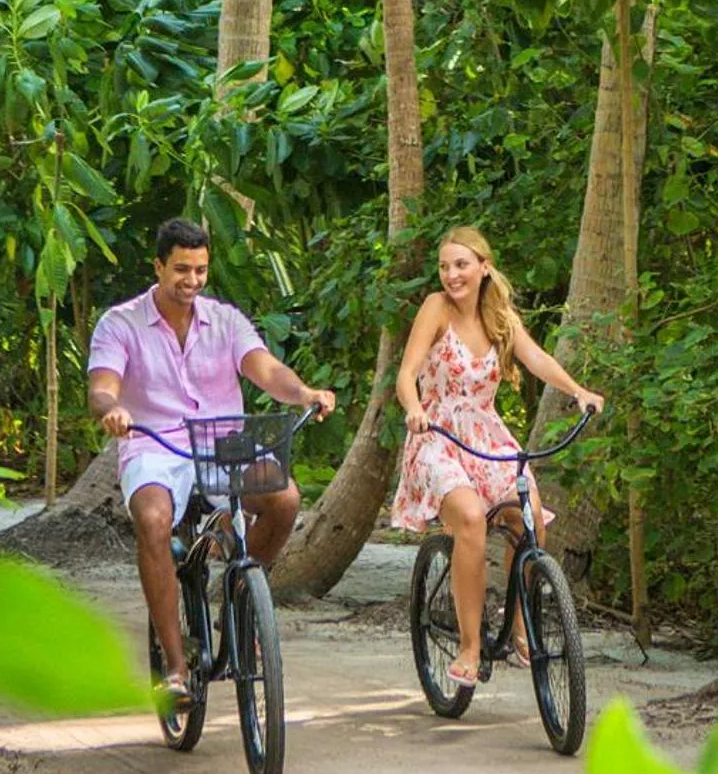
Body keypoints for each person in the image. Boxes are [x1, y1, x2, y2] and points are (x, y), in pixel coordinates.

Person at [87, 218, 337, 702]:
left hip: (223, 445)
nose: (192, 280)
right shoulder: (120, 323)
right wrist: (112, 408)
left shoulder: (224, 320)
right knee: (155, 520)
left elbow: (264, 369)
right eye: (181, 269)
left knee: (284, 497)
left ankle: (242, 599)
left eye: (201, 270)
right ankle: (176, 667)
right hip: (154, 445)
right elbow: (102, 385)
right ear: (158, 266)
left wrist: (304, 393)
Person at [390, 225, 603, 689]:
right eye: (445, 266)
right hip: (437, 434)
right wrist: (413, 409)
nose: (452, 274)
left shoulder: (498, 315)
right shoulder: (436, 308)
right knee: (469, 518)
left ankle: (520, 623)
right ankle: (470, 647)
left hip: (486, 435)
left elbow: (536, 358)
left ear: (484, 267)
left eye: (461, 264)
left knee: (529, 519)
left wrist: (578, 391)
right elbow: (406, 375)